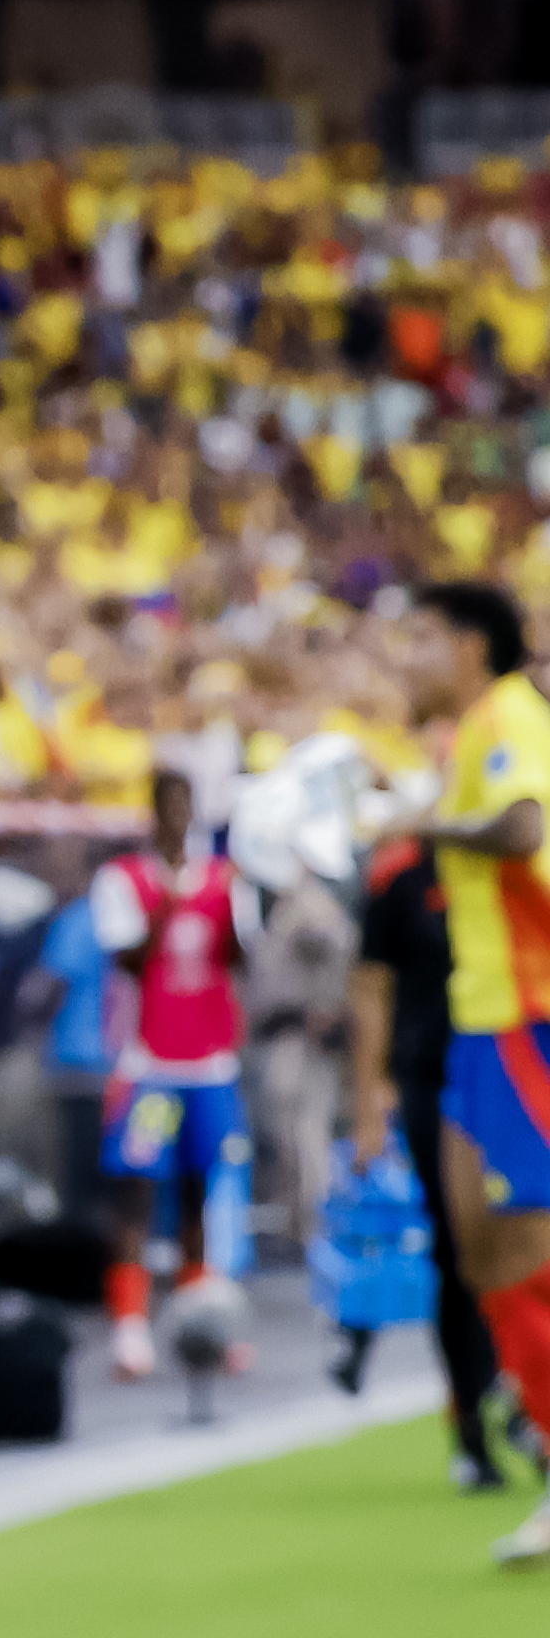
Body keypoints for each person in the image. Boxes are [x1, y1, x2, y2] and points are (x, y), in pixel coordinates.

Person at [399, 581, 550, 1571]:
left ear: (464, 644)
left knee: (520, 1244)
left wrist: (414, 826)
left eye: (416, 637)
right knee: (479, 1247)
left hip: (521, 1013)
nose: (403, 657)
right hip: (474, 1017)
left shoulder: (506, 717)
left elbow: (522, 827)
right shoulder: (465, 733)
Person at [88, 767, 261, 1383]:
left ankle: (202, 1324)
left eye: (188, 805)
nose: (179, 818)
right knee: (136, 1193)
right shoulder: (124, 881)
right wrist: (170, 906)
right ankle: (130, 1329)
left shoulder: (222, 880)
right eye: (169, 806)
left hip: (210, 1065)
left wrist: (231, 899)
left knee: (201, 1192)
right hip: (149, 1066)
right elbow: (128, 958)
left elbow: (241, 956)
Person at [346, 836, 506, 1491]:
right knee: (461, 1251)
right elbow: (371, 984)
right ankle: (470, 1421)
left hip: (514, 1077)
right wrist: (368, 1101)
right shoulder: (405, 875)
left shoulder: (517, 863)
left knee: (518, 1250)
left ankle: (518, 1396)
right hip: (434, 1080)